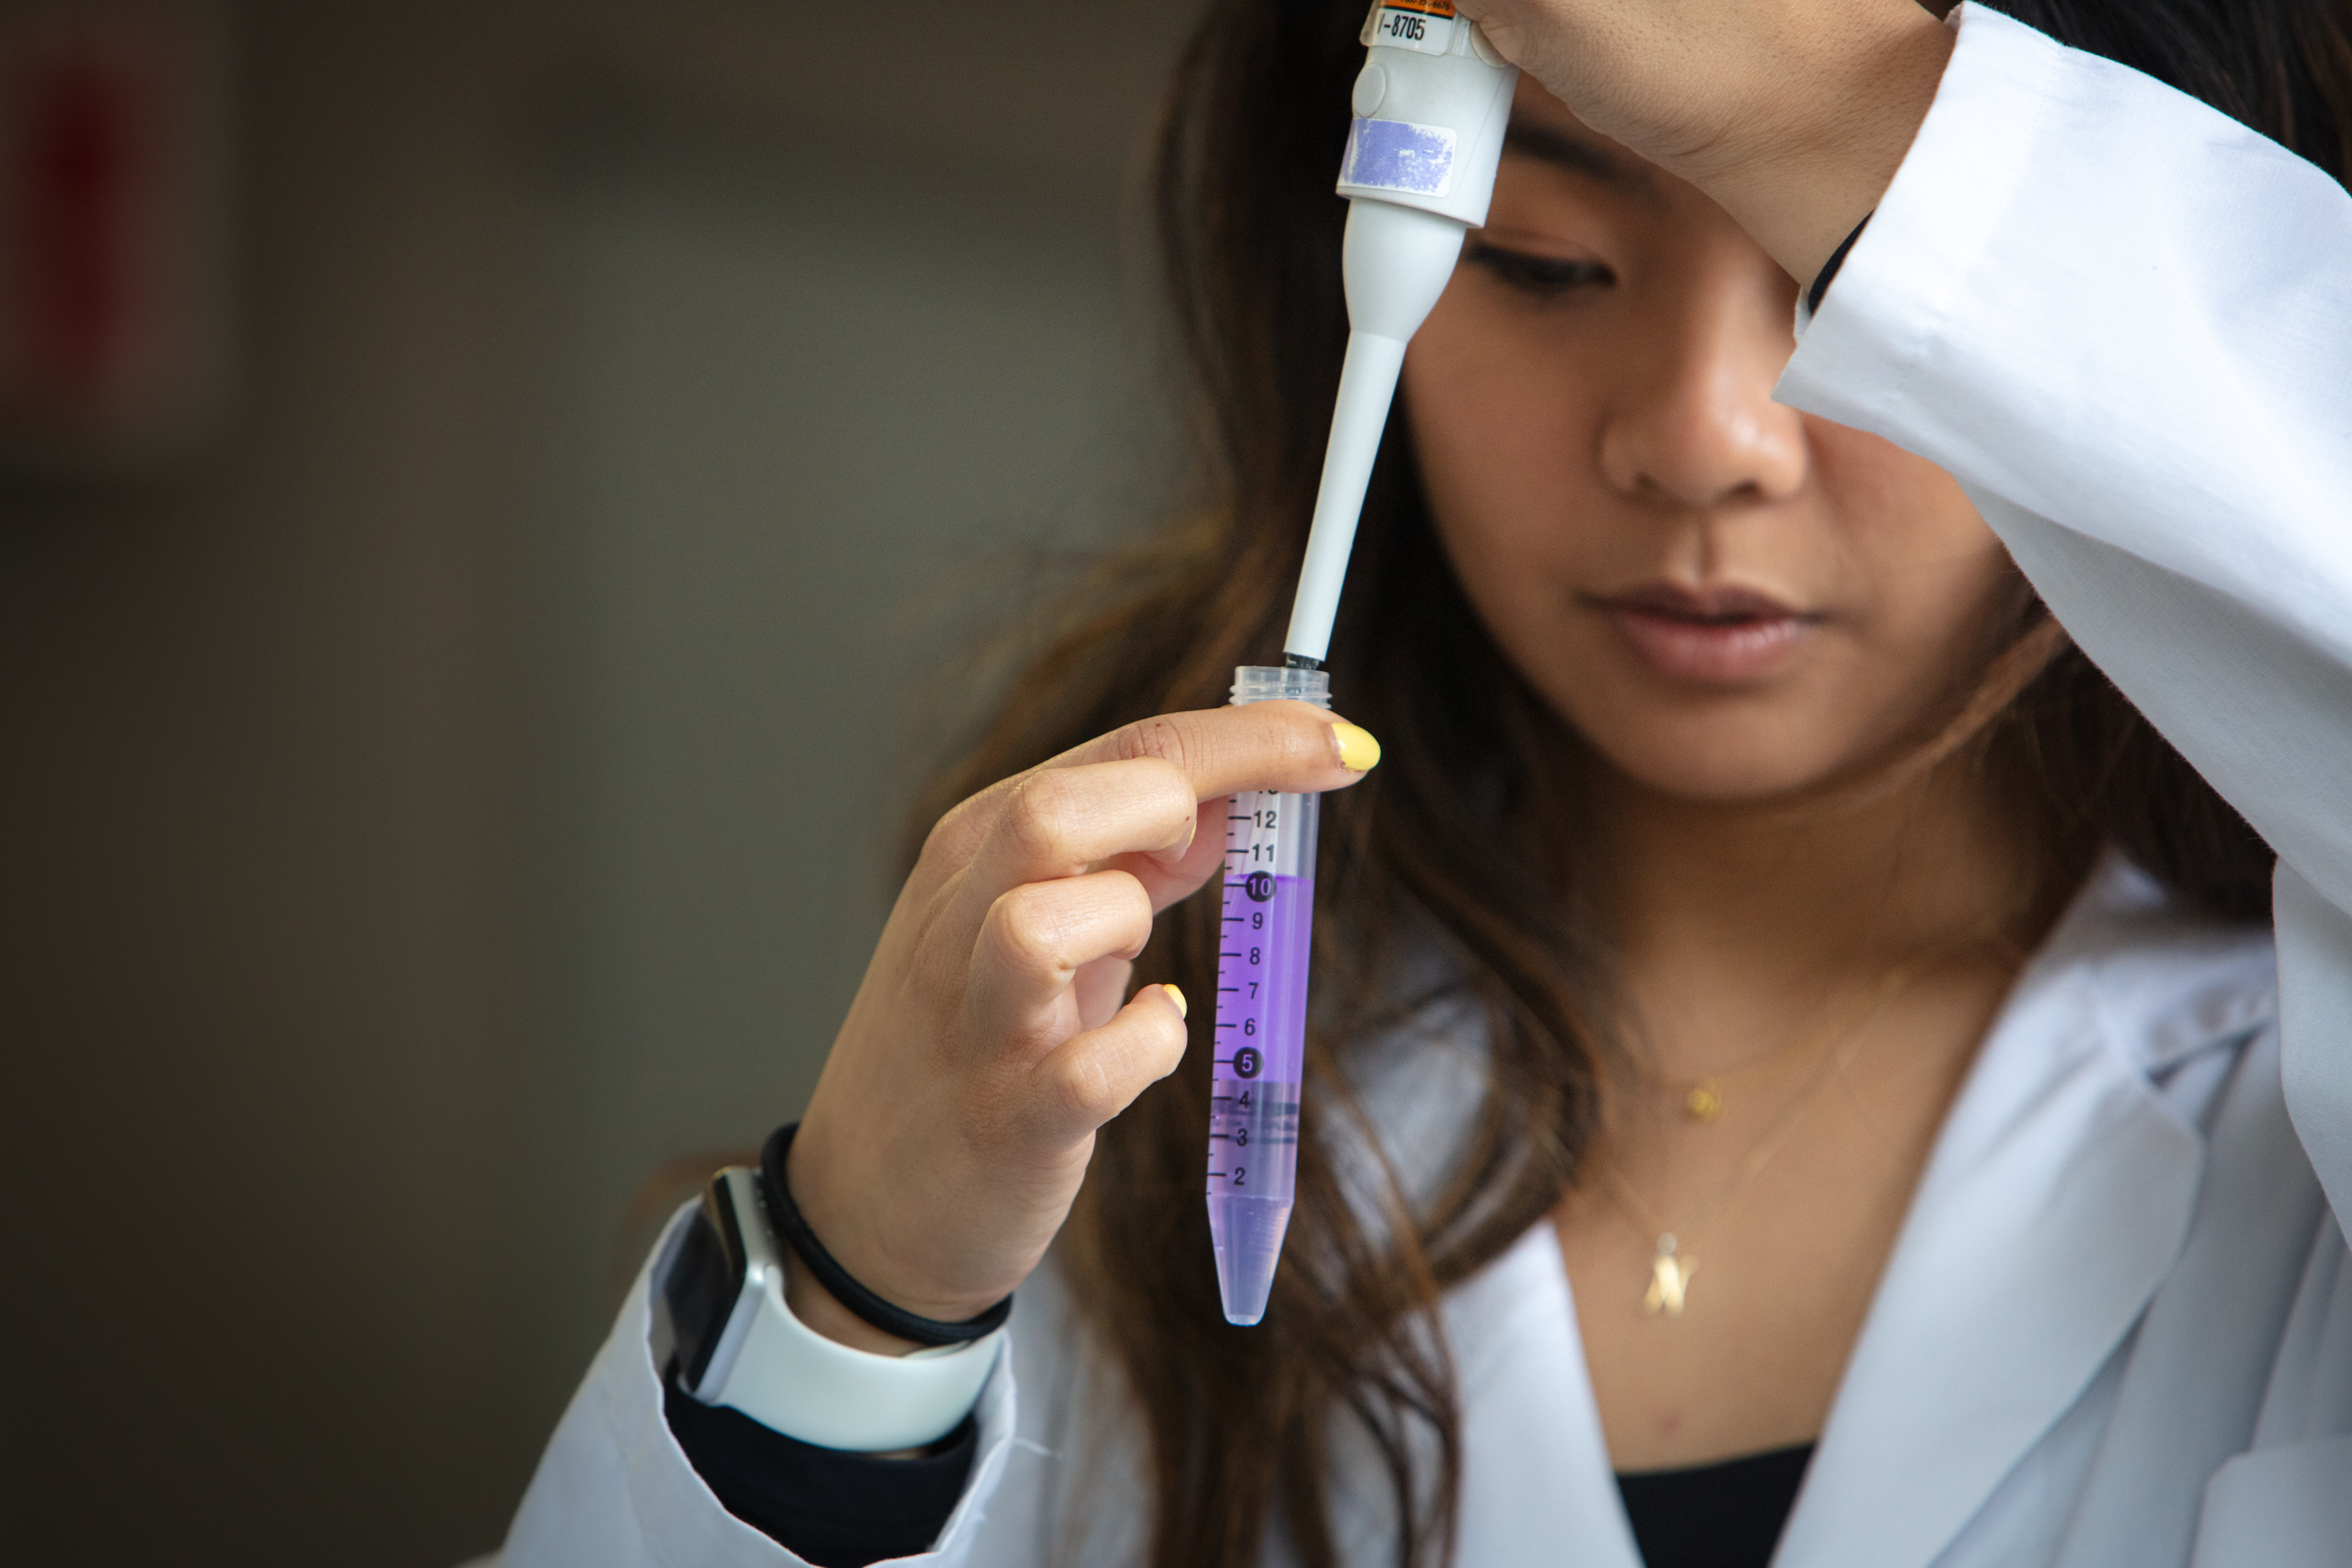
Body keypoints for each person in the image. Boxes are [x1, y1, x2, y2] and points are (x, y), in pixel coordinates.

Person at [493, 0, 2352, 1563]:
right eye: (1540, 262)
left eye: (1845, 270)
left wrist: (1857, 94)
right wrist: (866, 1298)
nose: (1702, 437)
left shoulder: (2305, 1091)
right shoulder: (1106, 1047)